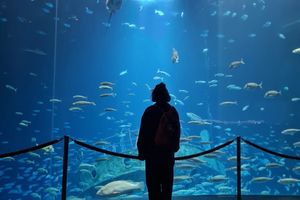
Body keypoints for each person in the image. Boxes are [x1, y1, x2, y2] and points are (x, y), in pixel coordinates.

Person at [137, 82, 180, 200]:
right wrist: (173, 149)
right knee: (167, 191)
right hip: (167, 156)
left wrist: (141, 152)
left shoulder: (149, 111)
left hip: (152, 157)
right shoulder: (173, 111)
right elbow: (177, 134)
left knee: (153, 190)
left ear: (154, 95)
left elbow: (142, 134)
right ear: (167, 95)